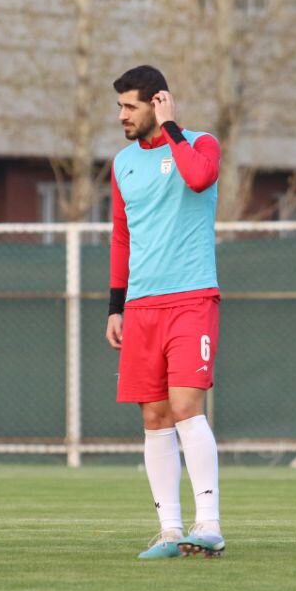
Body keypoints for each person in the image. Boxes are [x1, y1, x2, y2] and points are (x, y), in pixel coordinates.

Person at [106, 65, 226, 559]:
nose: (122, 116)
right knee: (154, 417)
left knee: (184, 408)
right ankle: (171, 532)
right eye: (119, 107)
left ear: (158, 103)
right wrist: (116, 305)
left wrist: (173, 128)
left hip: (192, 298)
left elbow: (199, 179)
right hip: (140, 307)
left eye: (130, 106)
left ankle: (210, 526)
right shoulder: (122, 163)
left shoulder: (200, 144)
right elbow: (121, 234)